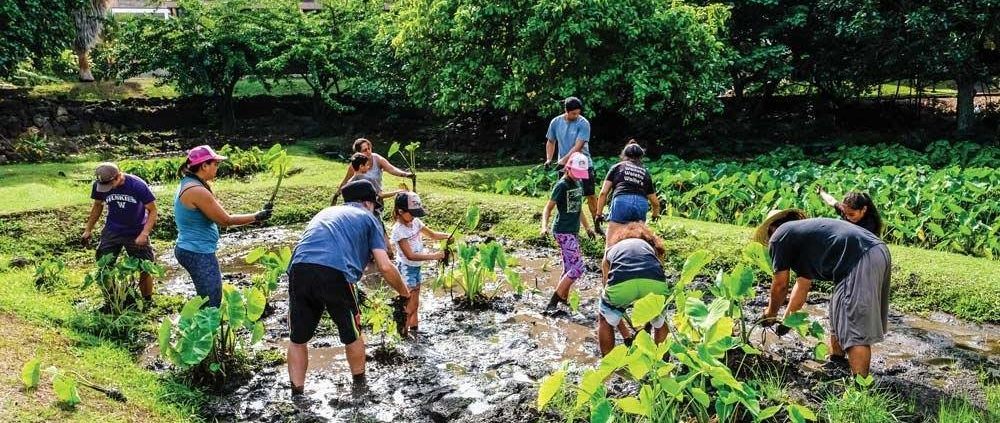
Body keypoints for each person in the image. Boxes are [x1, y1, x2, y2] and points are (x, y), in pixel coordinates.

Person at [286, 180, 410, 396]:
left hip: (299, 268)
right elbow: (384, 266)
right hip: (336, 273)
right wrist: (404, 292)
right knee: (352, 333)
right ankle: (360, 386)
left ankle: (297, 394)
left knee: (297, 339)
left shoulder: (326, 212)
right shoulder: (369, 219)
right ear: (369, 203)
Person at [753, 210, 891, 377]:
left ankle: (860, 391)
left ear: (772, 228)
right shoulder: (803, 237)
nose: (770, 242)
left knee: (854, 327)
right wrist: (787, 321)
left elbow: (780, 286)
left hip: (859, 257)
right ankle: (837, 359)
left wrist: (770, 313)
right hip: (875, 251)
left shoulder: (779, 235)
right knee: (838, 308)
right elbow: (801, 287)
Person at [174, 145, 272, 308]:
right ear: (204, 166)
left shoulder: (188, 182)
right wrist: (257, 217)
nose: (217, 168)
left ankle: (204, 331)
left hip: (192, 248)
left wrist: (256, 216)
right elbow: (225, 221)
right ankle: (205, 333)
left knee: (207, 298)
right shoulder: (197, 190)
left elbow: (217, 214)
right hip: (197, 252)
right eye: (215, 164)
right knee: (212, 302)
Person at [82, 162, 158, 301]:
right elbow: (97, 206)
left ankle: (147, 301)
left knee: (145, 266)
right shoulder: (100, 186)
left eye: (110, 185)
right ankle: (113, 300)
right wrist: (88, 229)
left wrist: (144, 233)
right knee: (104, 265)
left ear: (118, 177)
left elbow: (153, 210)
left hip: (136, 230)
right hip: (112, 229)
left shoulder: (137, 185)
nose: (107, 189)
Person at [598, 222, 671, 356]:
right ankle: (662, 362)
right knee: (661, 319)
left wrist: (623, 330)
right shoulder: (651, 247)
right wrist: (646, 328)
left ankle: (608, 363)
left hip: (621, 285)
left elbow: (606, 284)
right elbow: (660, 271)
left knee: (605, 318)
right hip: (653, 283)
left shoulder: (611, 249)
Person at [390, 191, 450, 336]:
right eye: (411, 214)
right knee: (408, 306)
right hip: (406, 268)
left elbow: (433, 235)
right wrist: (435, 256)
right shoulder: (399, 230)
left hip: (416, 269)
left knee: (415, 304)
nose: (414, 217)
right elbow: (410, 255)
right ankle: (403, 335)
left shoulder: (415, 222)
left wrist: (447, 236)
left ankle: (415, 331)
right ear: (400, 211)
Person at [541, 152, 595, 311]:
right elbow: (548, 208)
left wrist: (588, 228)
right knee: (578, 267)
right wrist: (543, 226)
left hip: (573, 231)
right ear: (568, 168)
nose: (578, 177)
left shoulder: (578, 184)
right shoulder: (562, 185)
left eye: (580, 174)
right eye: (576, 173)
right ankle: (554, 300)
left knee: (569, 267)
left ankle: (563, 297)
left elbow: (578, 209)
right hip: (562, 231)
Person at [544, 97, 601, 234]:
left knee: (590, 195)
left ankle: (597, 225)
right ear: (566, 111)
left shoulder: (583, 123)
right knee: (565, 196)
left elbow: (578, 146)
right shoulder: (556, 122)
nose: (576, 116)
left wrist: (564, 159)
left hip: (582, 164)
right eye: (573, 113)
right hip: (565, 168)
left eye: (578, 113)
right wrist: (549, 159)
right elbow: (551, 141)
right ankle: (564, 226)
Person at [596, 140, 661, 241]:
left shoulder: (617, 167)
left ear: (624, 154)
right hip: (641, 203)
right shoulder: (645, 172)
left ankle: (607, 256)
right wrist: (655, 215)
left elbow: (603, 193)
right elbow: (655, 203)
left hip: (622, 201)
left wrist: (598, 214)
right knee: (637, 239)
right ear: (641, 157)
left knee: (611, 243)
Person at [334, 138, 415, 213]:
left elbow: (391, 169)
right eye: (365, 150)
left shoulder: (377, 158)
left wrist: (405, 174)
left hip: (376, 201)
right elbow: (346, 182)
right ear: (359, 153)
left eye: (369, 148)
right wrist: (337, 195)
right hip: (361, 203)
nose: (368, 151)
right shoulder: (355, 166)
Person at [816, 187, 883, 236]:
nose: (847, 217)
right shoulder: (846, 210)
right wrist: (821, 192)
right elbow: (831, 201)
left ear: (864, 209)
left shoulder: (870, 224)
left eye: (851, 214)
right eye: (845, 213)